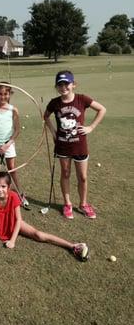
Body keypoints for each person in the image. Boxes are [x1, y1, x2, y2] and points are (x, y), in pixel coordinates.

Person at [44, 70, 106, 219]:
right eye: (60, 84)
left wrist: (90, 127)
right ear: (56, 86)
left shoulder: (82, 99)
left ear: (74, 85)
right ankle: (67, 204)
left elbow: (102, 109)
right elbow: (46, 116)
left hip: (80, 145)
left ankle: (83, 204)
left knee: (83, 177)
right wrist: (53, 133)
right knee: (65, 173)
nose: (63, 87)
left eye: (67, 84)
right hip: (63, 146)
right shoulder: (54, 102)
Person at [0, 82, 30, 209]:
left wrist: (7, 145)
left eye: (6, 94)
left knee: (12, 169)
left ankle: (20, 194)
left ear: (10, 94)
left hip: (8, 143)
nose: (3, 97)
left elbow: (17, 130)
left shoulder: (13, 110)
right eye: (0, 94)